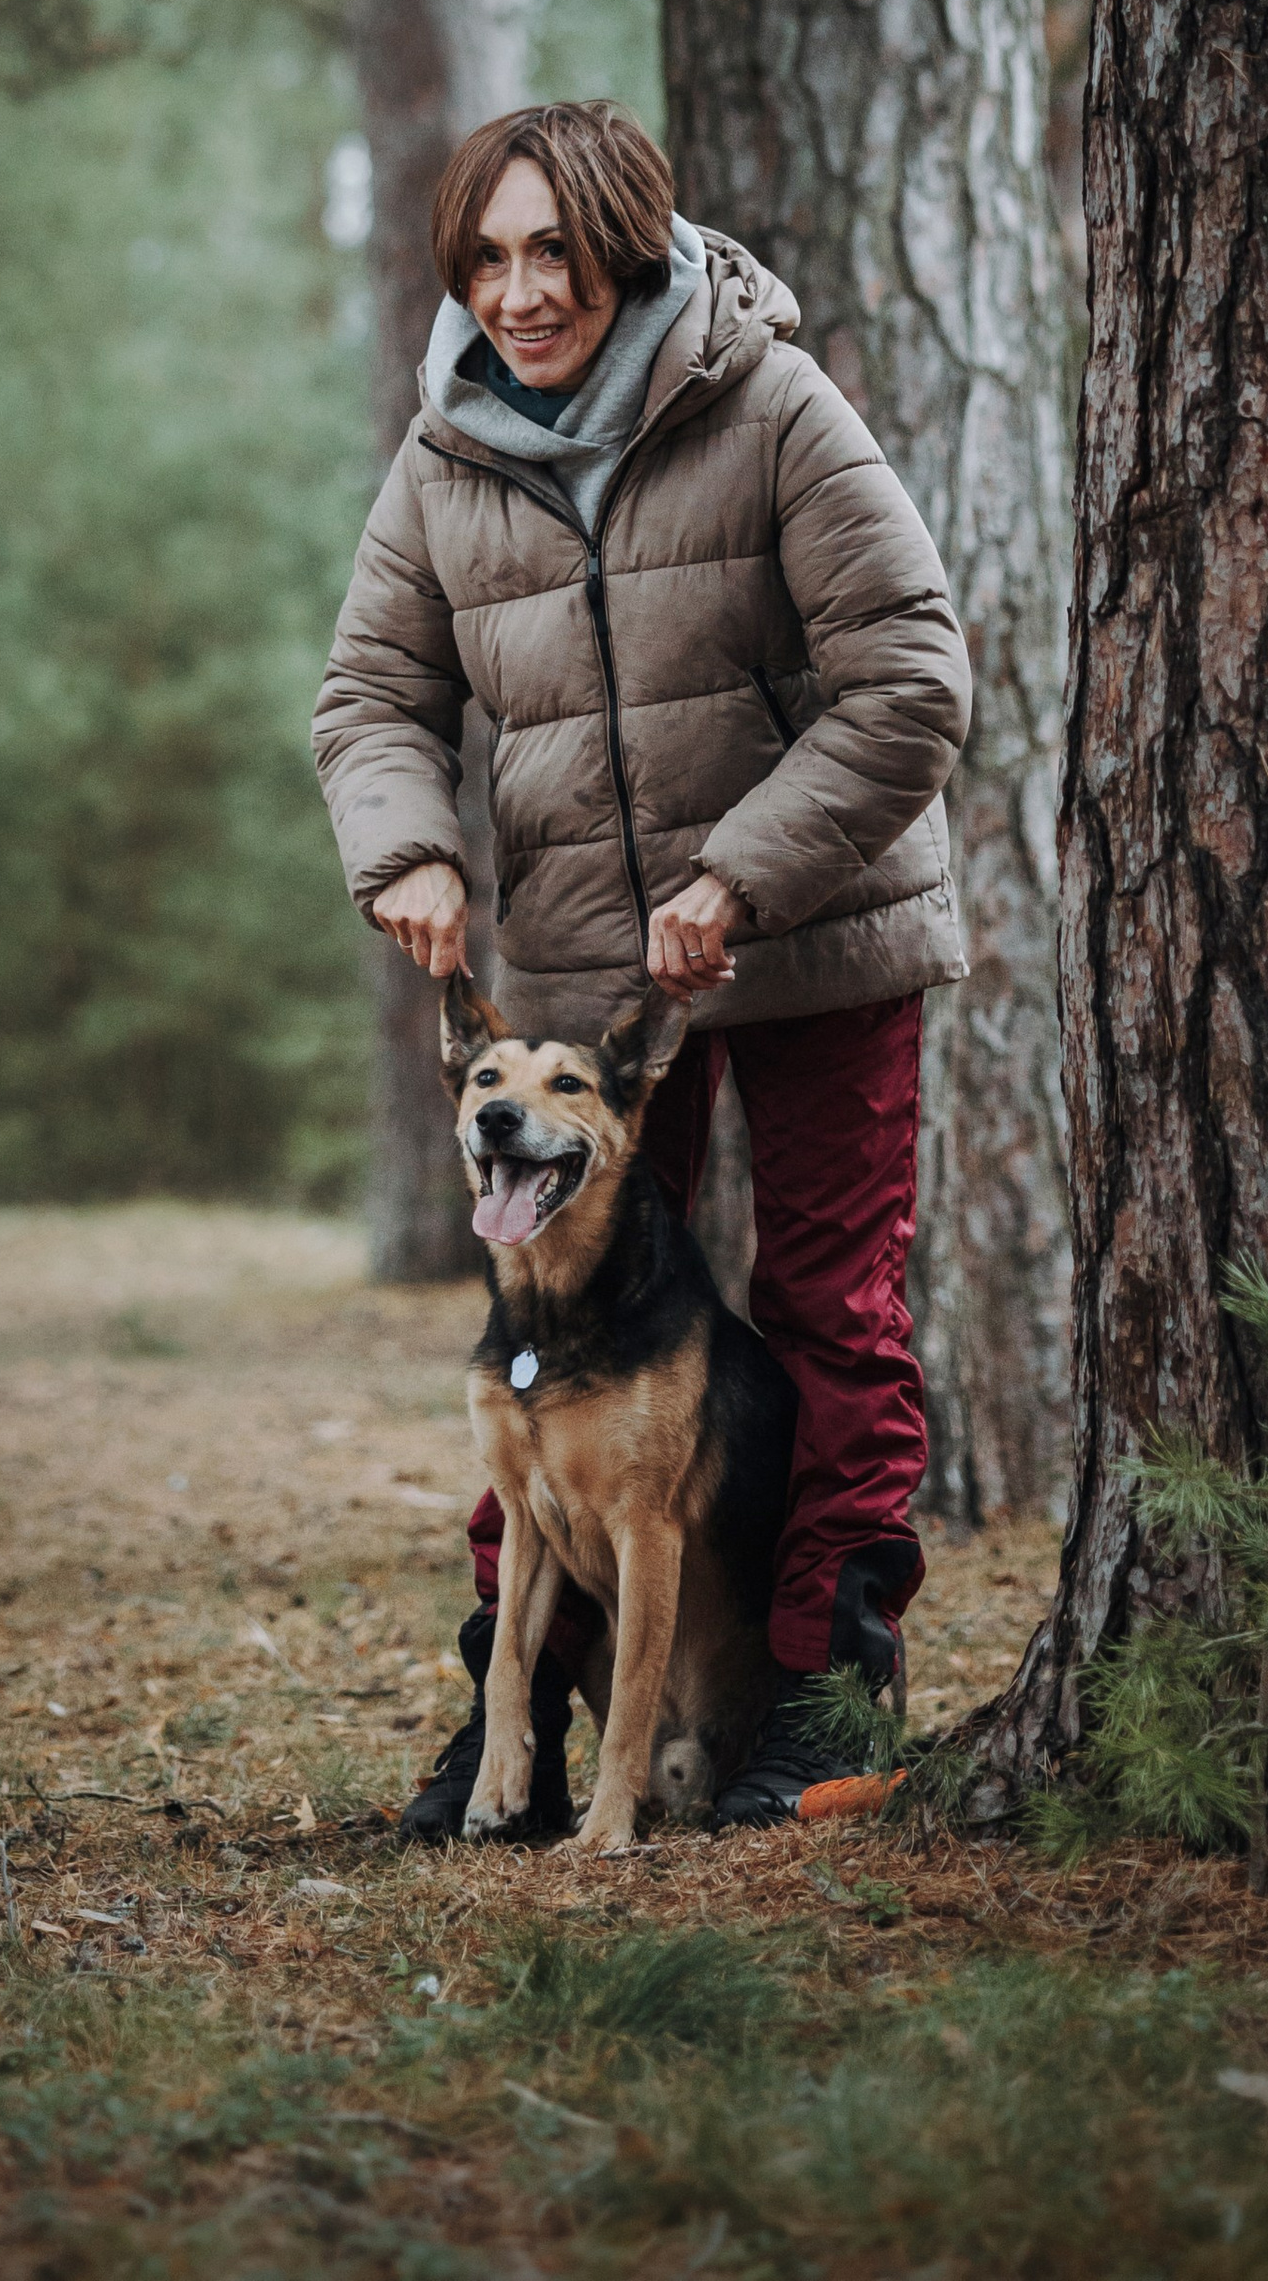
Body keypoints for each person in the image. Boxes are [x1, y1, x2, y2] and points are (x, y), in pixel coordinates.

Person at [312, 98, 972, 1835]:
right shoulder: (446, 451)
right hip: (598, 985)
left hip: (820, 929)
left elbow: (909, 673)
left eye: (552, 252)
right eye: (487, 257)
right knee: (551, 1321)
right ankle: (514, 1717)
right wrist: (409, 850)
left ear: (624, 242)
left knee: (834, 1315)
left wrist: (743, 872)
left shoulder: (764, 399)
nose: (519, 294)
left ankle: (823, 1699)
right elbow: (373, 697)